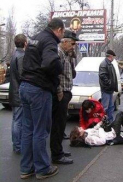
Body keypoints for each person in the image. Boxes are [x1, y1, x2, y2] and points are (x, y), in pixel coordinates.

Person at [19, 18, 64, 180]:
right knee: (40, 131)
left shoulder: (35, 38)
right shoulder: (50, 41)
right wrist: (59, 74)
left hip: (25, 86)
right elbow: (50, 63)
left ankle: (26, 168)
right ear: (58, 30)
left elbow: (27, 62)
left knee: (28, 130)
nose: (62, 36)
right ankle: (43, 168)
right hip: (39, 89)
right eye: (62, 32)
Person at [50, 30, 78, 165]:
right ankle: (56, 154)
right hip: (60, 93)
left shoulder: (67, 54)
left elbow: (72, 74)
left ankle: (58, 150)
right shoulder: (58, 53)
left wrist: (73, 57)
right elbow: (55, 74)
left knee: (61, 125)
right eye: (72, 43)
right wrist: (59, 90)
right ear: (64, 41)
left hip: (66, 92)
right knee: (57, 125)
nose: (73, 46)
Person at [9, 34, 27, 154]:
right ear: (25, 43)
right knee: (18, 121)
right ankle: (18, 145)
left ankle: (17, 144)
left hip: (15, 92)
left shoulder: (15, 54)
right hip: (19, 93)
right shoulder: (21, 56)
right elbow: (22, 75)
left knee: (16, 119)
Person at [99, 50, 118, 123]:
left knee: (110, 107)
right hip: (106, 89)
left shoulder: (109, 64)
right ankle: (102, 123)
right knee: (105, 107)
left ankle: (110, 122)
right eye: (113, 56)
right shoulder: (104, 64)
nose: (113, 58)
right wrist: (110, 84)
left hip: (109, 89)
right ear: (111, 56)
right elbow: (102, 76)